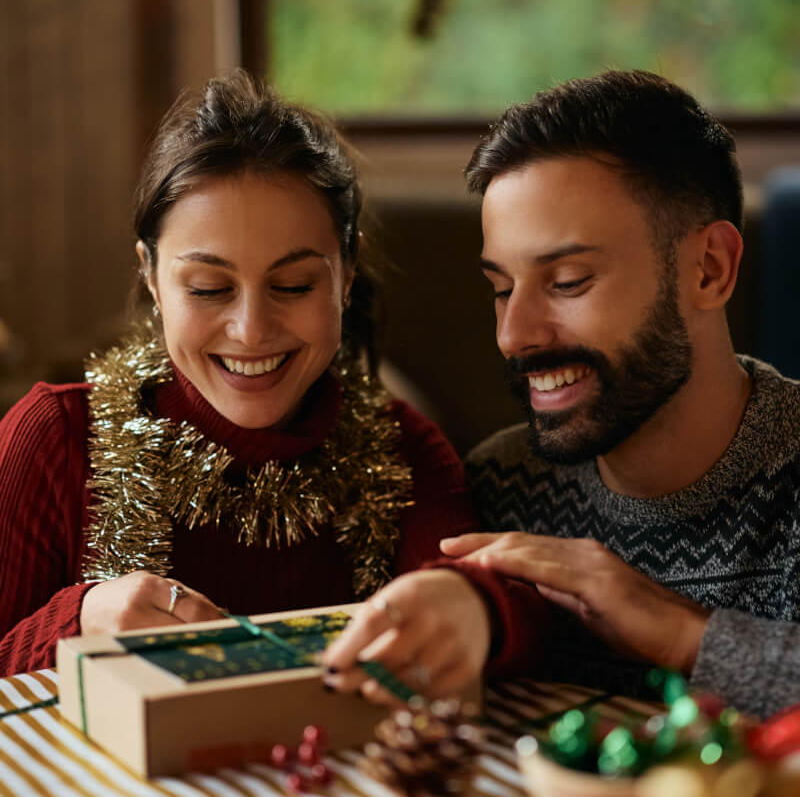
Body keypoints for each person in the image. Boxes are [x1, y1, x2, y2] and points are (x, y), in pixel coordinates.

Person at [0, 70, 548, 692]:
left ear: (346, 273)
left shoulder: (404, 453)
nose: (252, 329)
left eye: (294, 286)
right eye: (209, 288)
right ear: (151, 278)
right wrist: (77, 621)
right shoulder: (54, 439)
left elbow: (510, 605)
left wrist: (470, 605)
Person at [441, 69, 800, 719]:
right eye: (501, 287)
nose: (513, 334)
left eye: (569, 280)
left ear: (708, 270)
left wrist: (682, 632)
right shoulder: (497, 487)